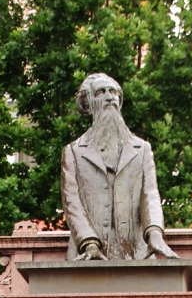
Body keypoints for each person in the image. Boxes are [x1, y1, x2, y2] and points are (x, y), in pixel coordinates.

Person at [61, 72, 177, 261]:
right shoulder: (73, 152)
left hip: (136, 252)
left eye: (113, 92)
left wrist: (155, 234)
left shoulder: (142, 149)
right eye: (101, 92)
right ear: (88, 105)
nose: (109, 97)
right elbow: (72, 202)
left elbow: (150, 194)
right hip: (87, 254)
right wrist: (89, 243)